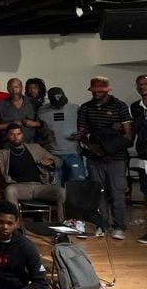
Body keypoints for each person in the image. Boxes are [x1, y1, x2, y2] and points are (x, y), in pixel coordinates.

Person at [77, 76, 133, 239]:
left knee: (117, 192)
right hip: (94, 157)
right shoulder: (86, 108)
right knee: (98, 192)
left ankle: (120, 226)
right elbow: (81, 132)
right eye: (94, 91)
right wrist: (91, 145)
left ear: (107, 90)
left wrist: (107, 147)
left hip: (116, 157)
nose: (96, 93)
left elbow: (128, 135)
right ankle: (102, 224)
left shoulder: (120, 106)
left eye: (100, 91)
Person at [0, 123, 65, 222]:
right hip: (20, 187)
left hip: (40, 186)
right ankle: (16, 225)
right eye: (12, 134)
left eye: (18, 134)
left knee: (61, 191)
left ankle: (62, 225)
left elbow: (59, 161)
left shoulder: (35, 148)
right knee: (9, 190)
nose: (16, 137)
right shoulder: (2, 153)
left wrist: (51, 161)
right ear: (7, 136)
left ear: (22, 135)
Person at [38, 87, 84, 184]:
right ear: (49, 100)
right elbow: (38, 129)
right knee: (56, 187)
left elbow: (84, 126)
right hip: (52, 154)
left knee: (77, 186)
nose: (59, 106)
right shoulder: (42, 110)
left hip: (73, 153)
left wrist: (81, 134)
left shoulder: (75, 108)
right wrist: (46, 134)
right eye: (56, 104)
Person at [0, 78, 41, 145]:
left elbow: (45, 124)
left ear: (21, 88)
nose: (14, 90)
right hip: (7, 147)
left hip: (31, 145)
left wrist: (34, 123)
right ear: (7, 88)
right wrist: (9, 125)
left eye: (16, 87)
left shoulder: (34, 103)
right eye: (11, 87)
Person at [131, 74, 147, 244]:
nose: (142, 87)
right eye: (140, 85)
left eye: (145, 84)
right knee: (146, 194)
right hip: (143, 156)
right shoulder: (135, 107)